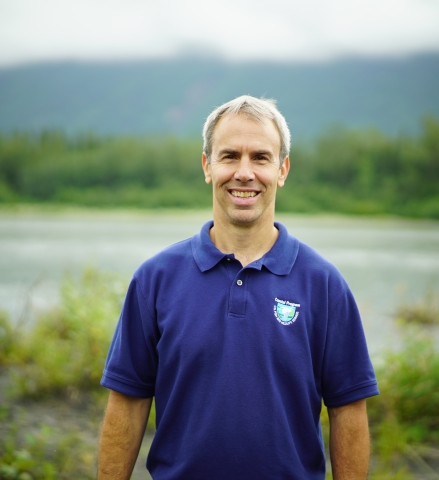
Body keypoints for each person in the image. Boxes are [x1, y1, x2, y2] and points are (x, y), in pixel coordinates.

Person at [97, 95, 379, 479]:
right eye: (229, 156)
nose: (244, 173)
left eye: (260, 158)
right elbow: (127, 401)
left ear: (282, 170)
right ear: (207, 166)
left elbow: (349, 410)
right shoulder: (155, 279)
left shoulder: (324, 285)